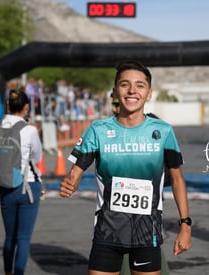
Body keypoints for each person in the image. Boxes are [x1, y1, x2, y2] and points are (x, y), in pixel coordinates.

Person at [59, 60, 191, 275]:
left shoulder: (163, 131)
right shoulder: (98, 130)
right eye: (124, 84)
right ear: (114, 92)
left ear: (149, 93)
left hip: (147, 233)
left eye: (140, 85)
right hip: (106, 233)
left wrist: (185, 225)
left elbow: (177, 179)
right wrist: (70, 184)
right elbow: (75, 172)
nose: (132, 91)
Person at [0, 89, 43, 275]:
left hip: (5, 183)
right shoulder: (29, 130)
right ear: (26, 107)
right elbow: (37, 156)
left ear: (7, 106)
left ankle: (7, 272)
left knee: (10, 237)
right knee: (23, 237)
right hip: (28, 185)